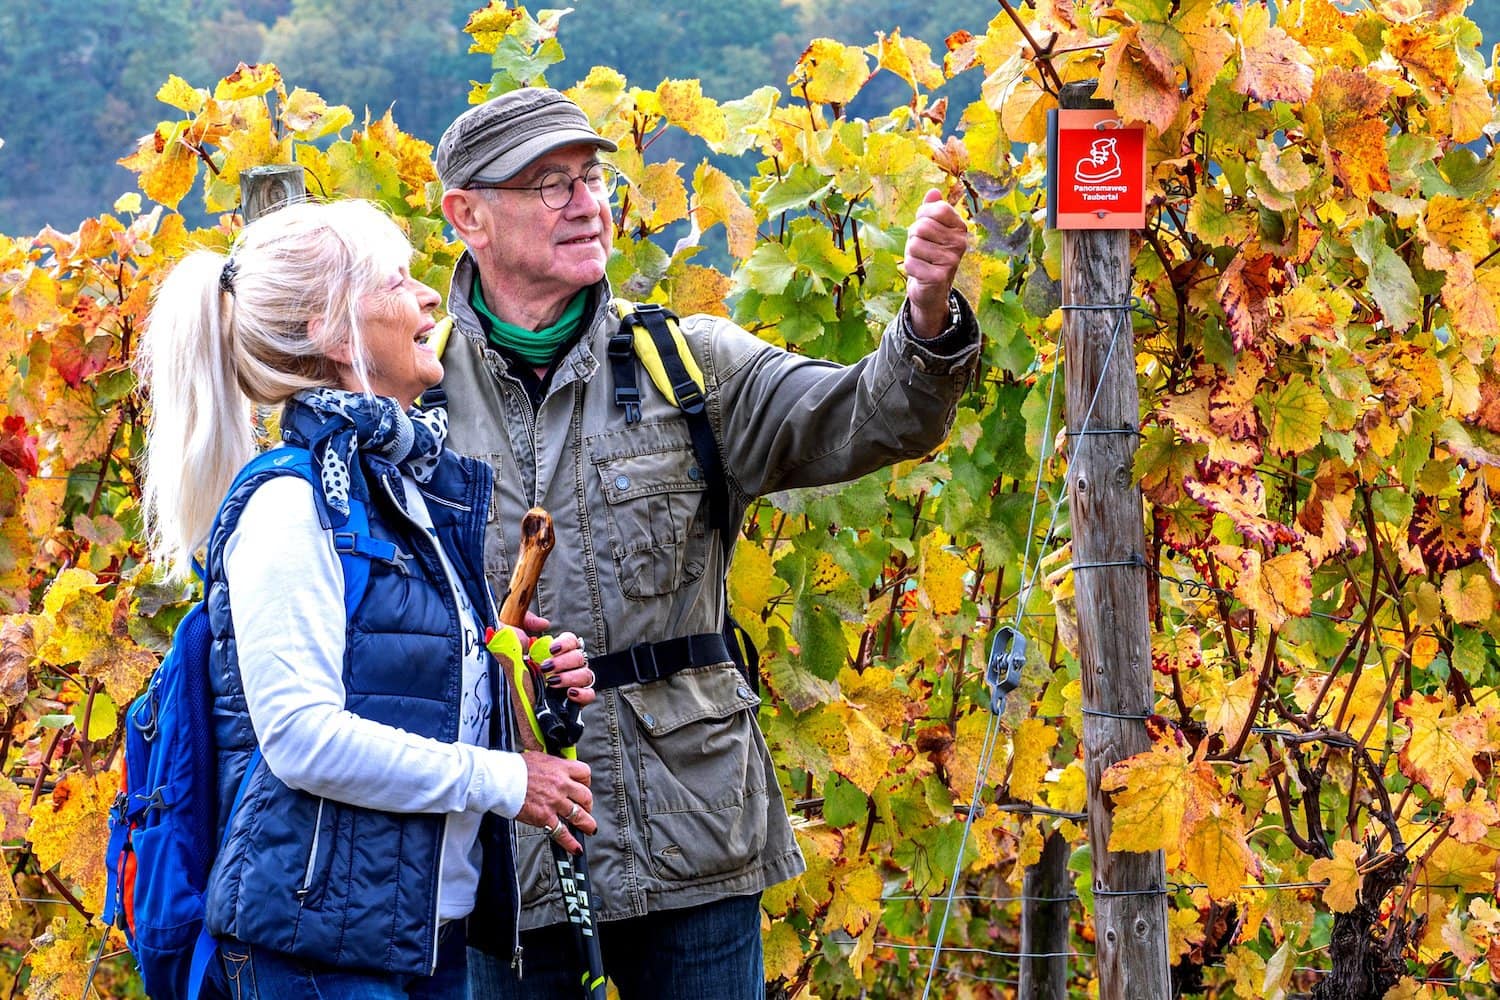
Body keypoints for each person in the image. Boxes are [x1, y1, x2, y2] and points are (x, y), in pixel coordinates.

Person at [434, 87, 979, 999]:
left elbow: (862, 417)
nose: (585, 201)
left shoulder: (687, 362)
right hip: (510, 851)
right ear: (468, 215)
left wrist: (925, 316)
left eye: (592, 177)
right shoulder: (414, 397)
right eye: (549, 184)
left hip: (696, 836)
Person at [135, 198, 600, 999]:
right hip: (317, 958)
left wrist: (516, 680)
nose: (429, 298)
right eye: (399, 281)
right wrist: (506, 779)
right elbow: (304, 740)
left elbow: (397, 692)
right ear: (328, 327)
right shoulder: (292, 503)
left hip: (412, 938)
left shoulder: (396, 494)